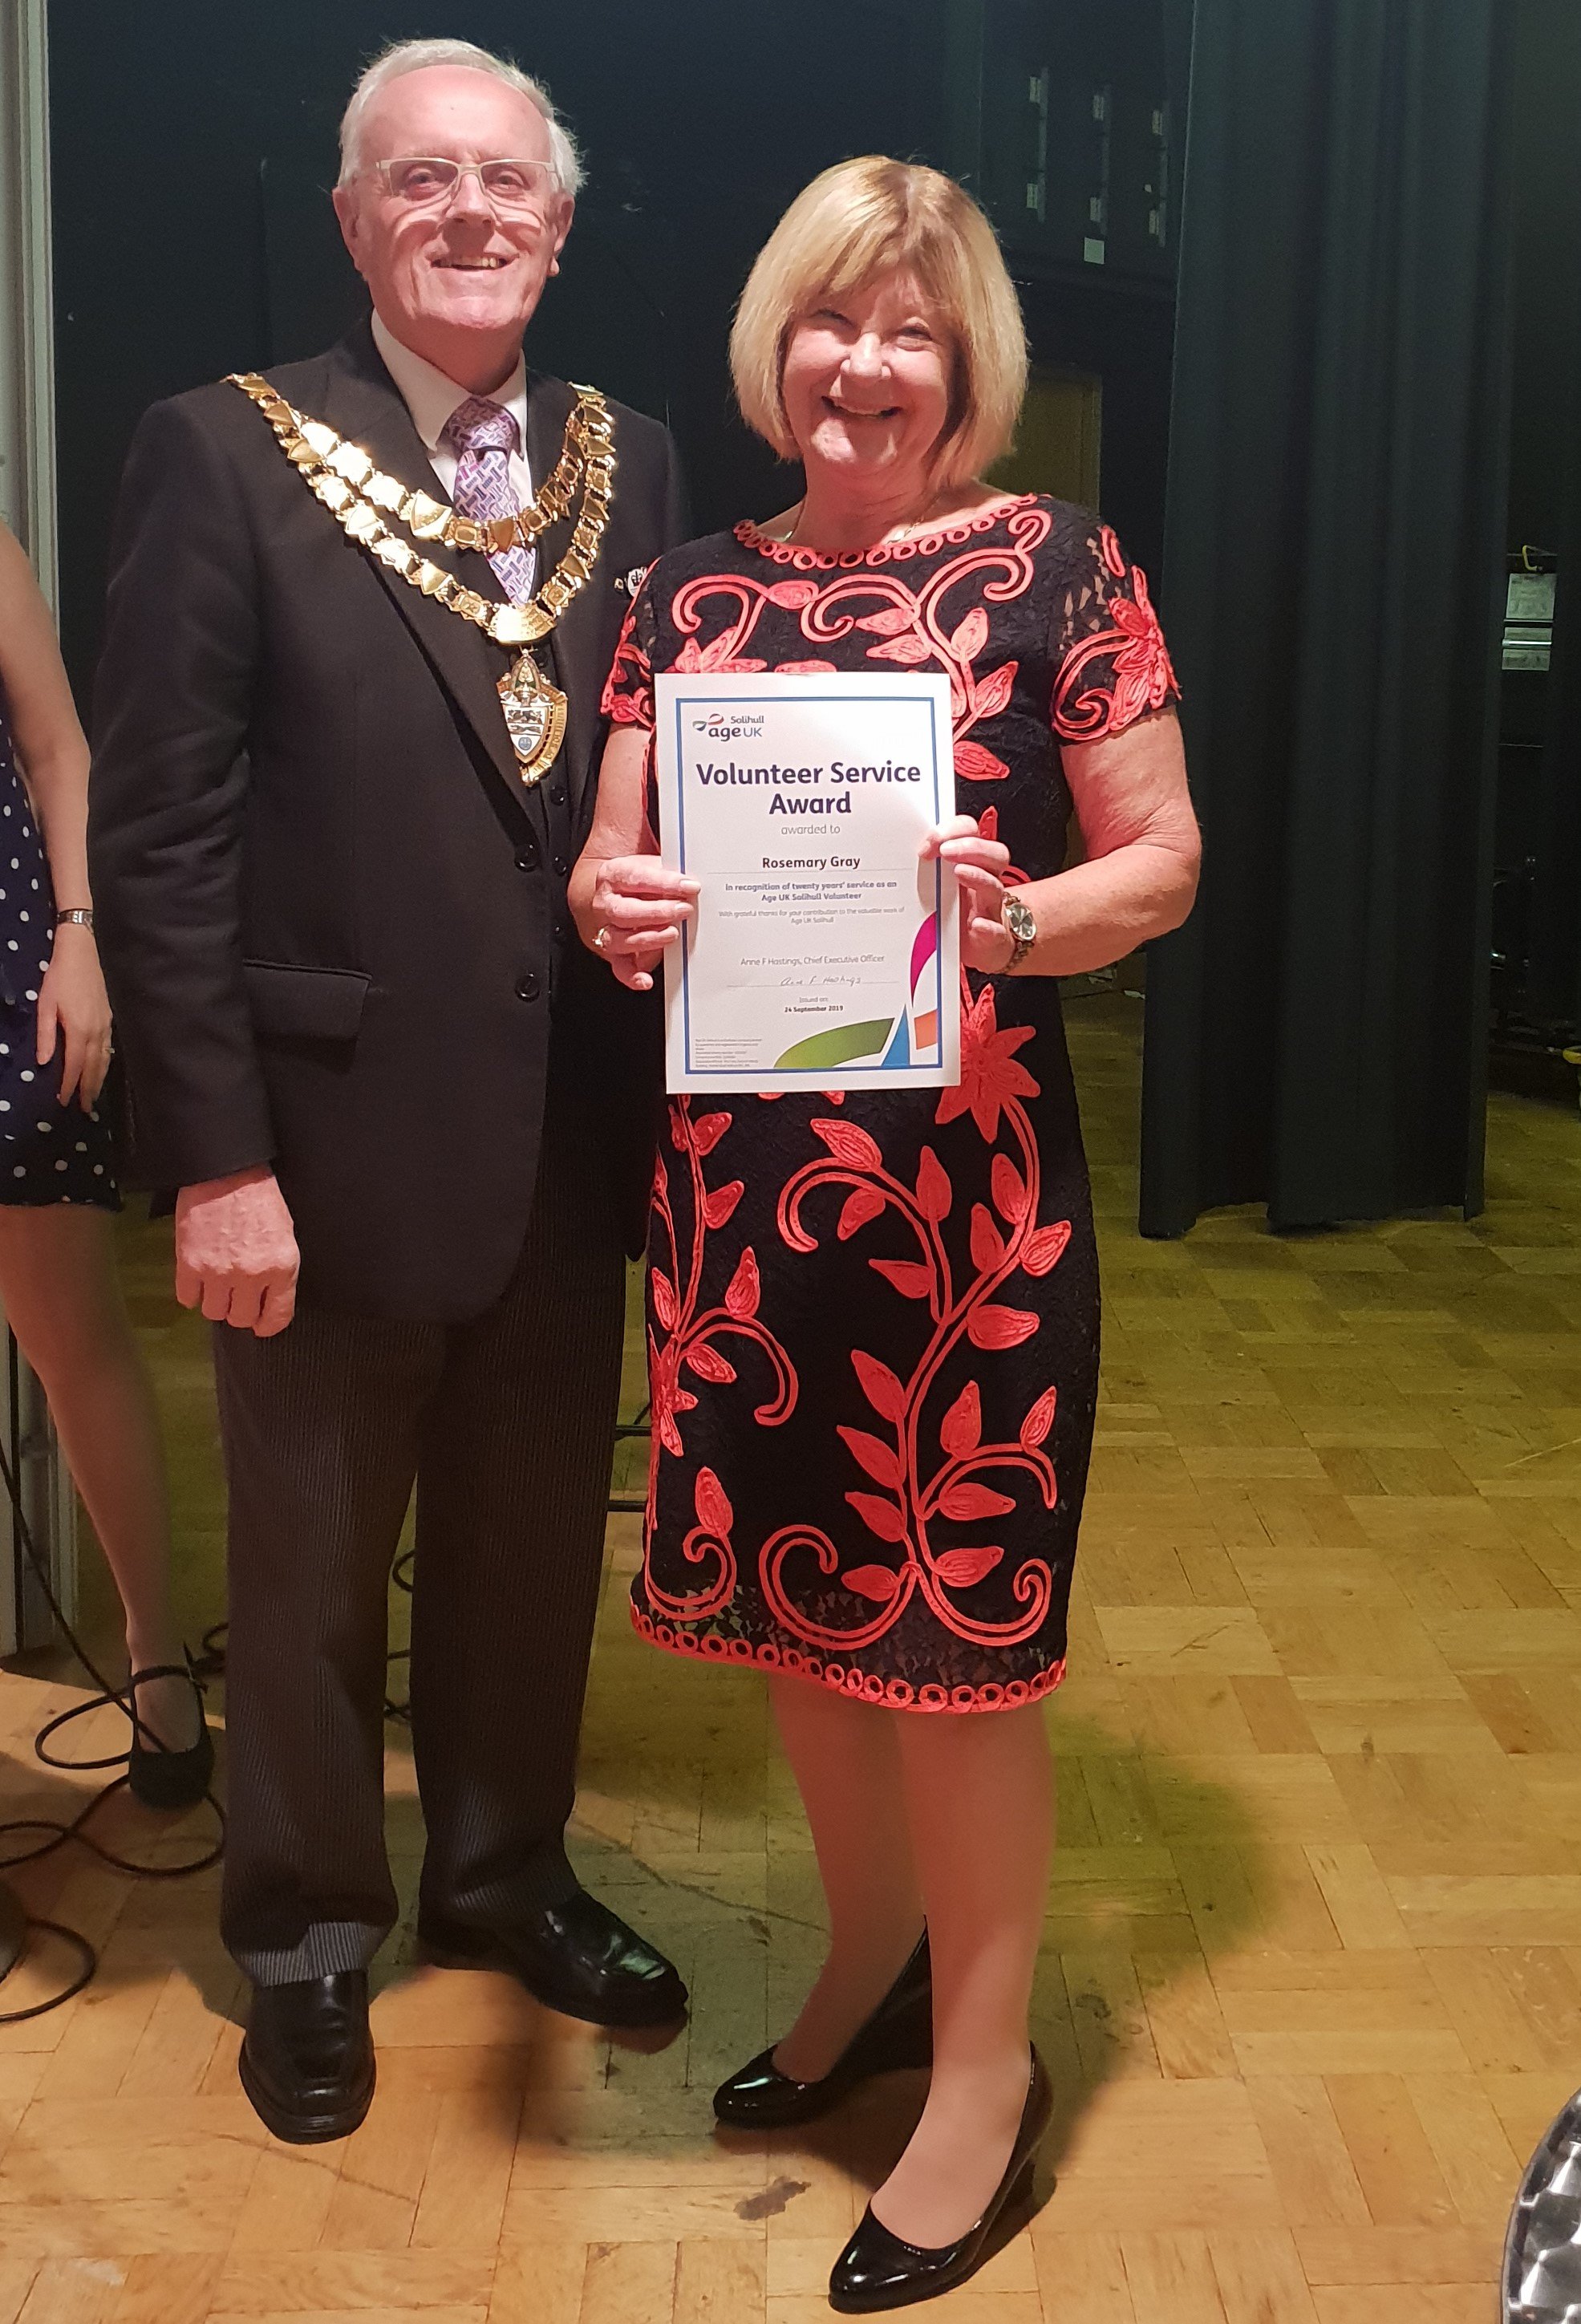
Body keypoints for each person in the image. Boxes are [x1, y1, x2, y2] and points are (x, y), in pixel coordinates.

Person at [572, 157, 1200, 2310]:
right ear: (777, 346)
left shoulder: (1062, 568)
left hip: (972, 1217)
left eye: (913, 327)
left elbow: (1163, 863)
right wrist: (608, 902)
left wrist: (1016, 914)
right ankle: (861, 1955)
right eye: (836, 318)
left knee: (952, 1654)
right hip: (744, 1206)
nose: (867, 361)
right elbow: (612, 873)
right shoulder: (676, 597)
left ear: (969, 367)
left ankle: (980, 2077)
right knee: (794, 1625)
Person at [89, 38, 687, 2148]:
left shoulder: (635, 455)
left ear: (558, 219)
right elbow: (157, 838)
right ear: (352, 221)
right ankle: (306, 1940)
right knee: (316, 1573)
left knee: (532, 1552)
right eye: (417, 180)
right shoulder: (226, 452)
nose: (467, 211)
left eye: (504, 182)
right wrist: (217, 1155)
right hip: (318, 1151)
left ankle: (503, 1878)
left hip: (567, 1133)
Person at [0, 522, 211, 1811]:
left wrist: (81, 941)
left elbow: (58, 749)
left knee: (72, 1337)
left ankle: (157, 1660)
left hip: (10, 953)